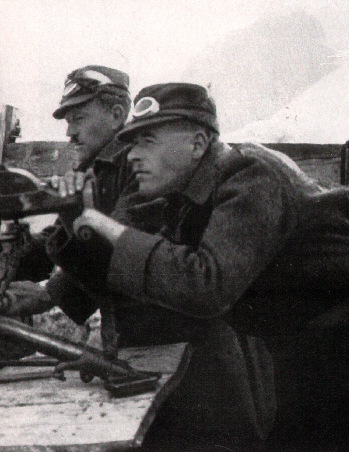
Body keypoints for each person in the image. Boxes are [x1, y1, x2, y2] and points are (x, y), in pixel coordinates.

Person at [61, 83, 349, 450]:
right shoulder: (183, 190)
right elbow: (128, 266)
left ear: (197, 144)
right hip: (296, 343)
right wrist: (73, 222)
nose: (132, 155)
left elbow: (206, 285)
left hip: (333, 343)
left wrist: (107, 227)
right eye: (131, 143)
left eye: (146, 141)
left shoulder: (251, 174)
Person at [0, 66, 164, 358]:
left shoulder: (140, 170)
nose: (70, 133)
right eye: (68, 122)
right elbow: (59, 235)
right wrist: (14, 262)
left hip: (153, 337)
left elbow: (117, 254)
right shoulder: (94, 168)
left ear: (117, 115)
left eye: (78, 119)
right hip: (125, 332)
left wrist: (48, 294)